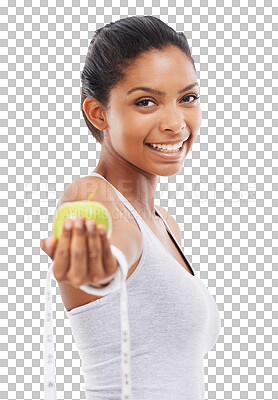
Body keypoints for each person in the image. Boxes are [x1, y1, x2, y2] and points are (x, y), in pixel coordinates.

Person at [41, 15, 221, 400]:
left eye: (187, 98)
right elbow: (106, 237)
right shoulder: (91, 194)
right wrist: (100, 269)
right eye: (146, 102)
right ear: (98, 113)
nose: (175, 123)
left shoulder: (165, 223)